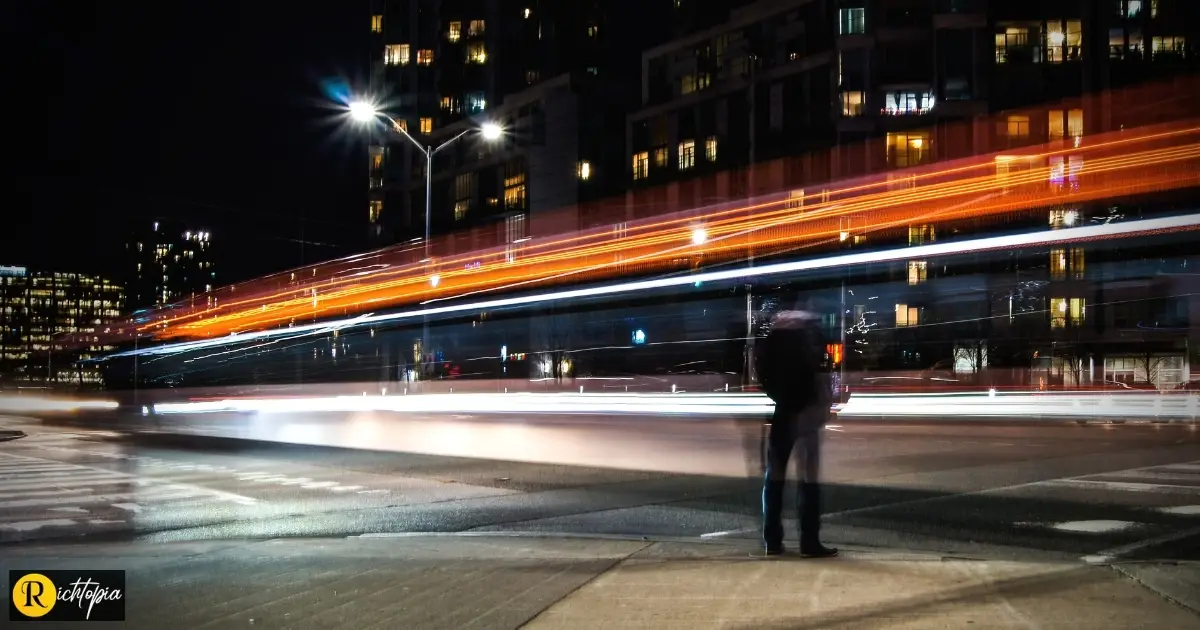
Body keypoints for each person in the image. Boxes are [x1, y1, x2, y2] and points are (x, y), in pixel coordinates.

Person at [755, 307, 838, 558]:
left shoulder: (773, 338)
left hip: (783, 413)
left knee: (775, 477)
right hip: (807, 413)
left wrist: (780, 397)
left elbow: (763, 372)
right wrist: (820, 403)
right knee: (808, 478)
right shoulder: (809, 335)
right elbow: (820, 371)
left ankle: (773, 540)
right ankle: (809, 541)